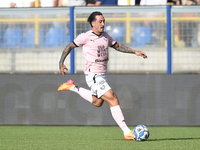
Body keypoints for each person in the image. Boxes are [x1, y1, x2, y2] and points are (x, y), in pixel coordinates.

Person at [58, 11, 147, 141]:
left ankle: (72, 87)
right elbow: (69, 46)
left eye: (104, 21)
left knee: (97, 102)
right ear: (93, 23)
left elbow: (117, 46)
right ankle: (127, 132)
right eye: (100, 21)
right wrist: (61, 62)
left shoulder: (105, 35)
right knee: (113, 98)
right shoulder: (85, 36)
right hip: (93, 75)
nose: (103, 24)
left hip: (102, 75)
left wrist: (135, 52)